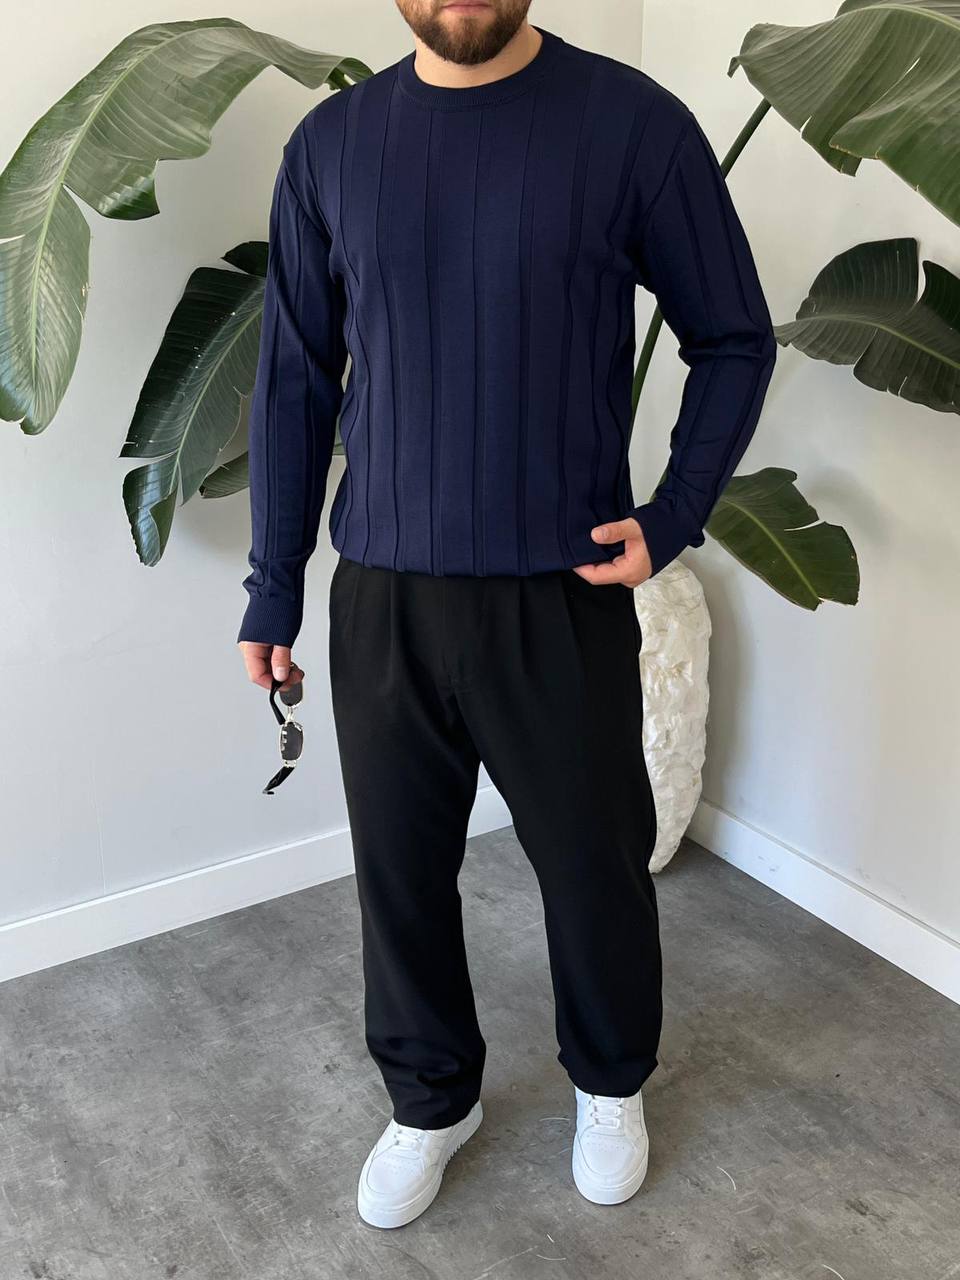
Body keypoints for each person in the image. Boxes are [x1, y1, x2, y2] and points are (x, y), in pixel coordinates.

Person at [237, 1, 777, 1229]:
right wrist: (273, 582)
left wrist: (673, 515)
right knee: (401, 877)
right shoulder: (332, 148)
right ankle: (431, 1097)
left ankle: (610, 1081)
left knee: (595, 869)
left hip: (562, 593)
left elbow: (734, 338)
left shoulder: (631, 127)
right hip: (384, 594)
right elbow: (294, 379)